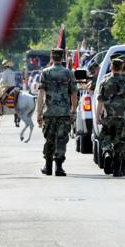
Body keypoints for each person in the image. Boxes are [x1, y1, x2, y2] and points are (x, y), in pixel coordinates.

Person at [36, 49, 77, 177]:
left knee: (49, 139)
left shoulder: (45, 73)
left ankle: (48, 167)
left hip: (49, 113)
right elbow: (74, 93)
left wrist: (39, 112)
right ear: (63, 57)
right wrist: (73, 110)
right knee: (61, 139)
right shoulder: (68, 73)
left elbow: (41, 94)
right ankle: (58, 167)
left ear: (51, 57)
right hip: (64, 113)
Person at [96, 58, 125, 178]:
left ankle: (107, 152)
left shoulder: (105, 82)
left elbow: (100, 101)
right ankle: (117, 170)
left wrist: (98, 116)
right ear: (122, 67)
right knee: (120, 143)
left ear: (111, 67)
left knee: (106, 138)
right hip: (121, 118)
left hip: (108, 117)